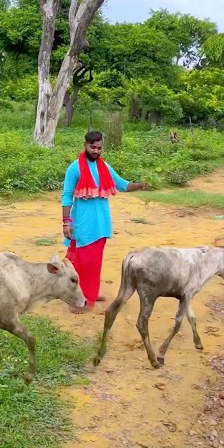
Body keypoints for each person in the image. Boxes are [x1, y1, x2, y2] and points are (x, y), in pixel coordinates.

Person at [60, 130, 146, 313]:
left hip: (101, 224)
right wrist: (66, 223)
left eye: (99, 148)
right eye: (93, 147)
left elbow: (122, 185)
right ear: (85, 145)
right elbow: (66, 196)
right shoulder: (74, 168)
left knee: (94, 262)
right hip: (82, 224)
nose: (96, 151)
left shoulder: (104, 167)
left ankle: (90, 293)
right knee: (81, 263)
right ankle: (78, 300)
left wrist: (139, 185)